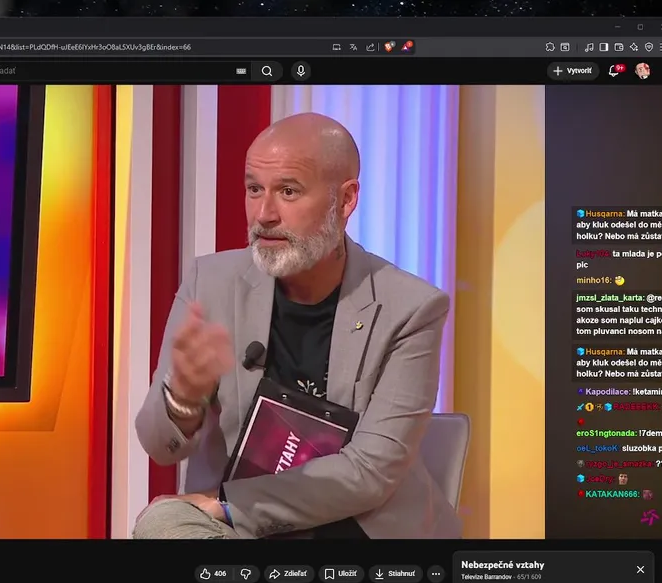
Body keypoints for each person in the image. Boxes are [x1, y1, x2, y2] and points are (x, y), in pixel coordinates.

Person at [132, 112, 460, 540]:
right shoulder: (210, 283)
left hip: (355, 528)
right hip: (239, 531)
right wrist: (183, 399)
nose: (264, 214)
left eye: (288, 191)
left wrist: (230, 504)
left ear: (345, 200)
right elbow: (159, 446)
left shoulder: (410, 308)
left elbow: (371, 472)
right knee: (161, 524)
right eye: (254, 189)